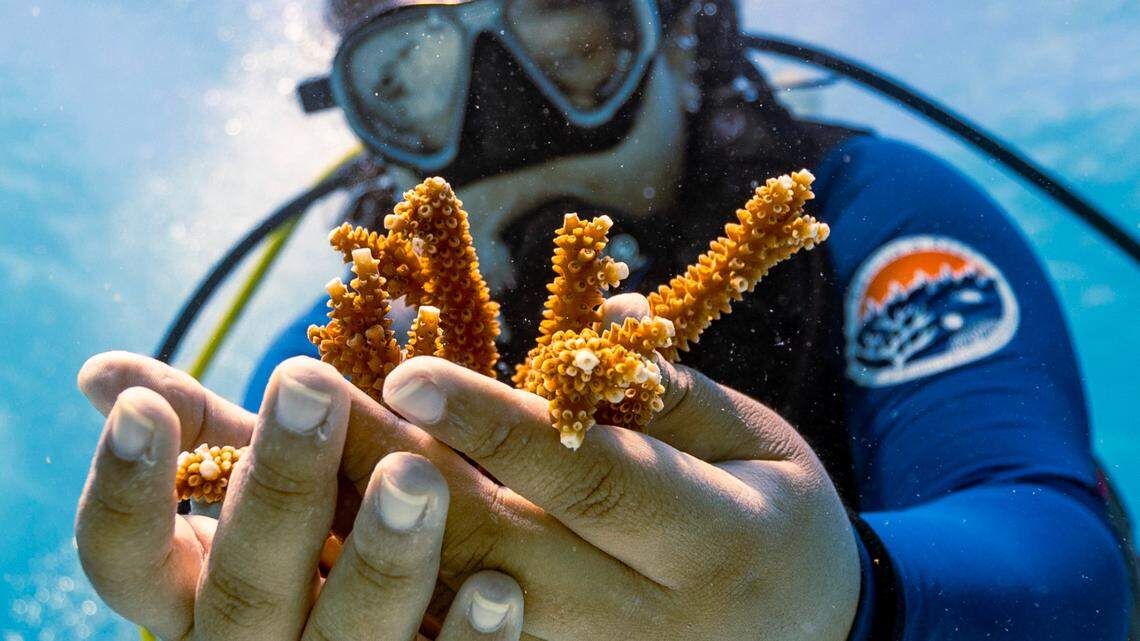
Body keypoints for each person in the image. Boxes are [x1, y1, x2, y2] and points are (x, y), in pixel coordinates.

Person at [74, 1, 1135, 640]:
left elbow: (1069, 565)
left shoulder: (861, 212)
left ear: (678, 38)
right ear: (375, 132)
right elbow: (218, 556)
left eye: (573, 38)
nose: (509, 116)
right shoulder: (337, 360)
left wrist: (843, 599)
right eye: (421, 79)